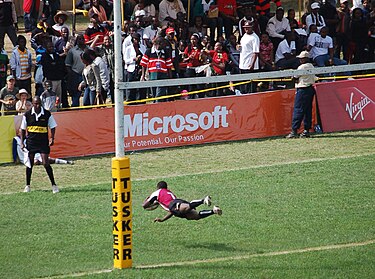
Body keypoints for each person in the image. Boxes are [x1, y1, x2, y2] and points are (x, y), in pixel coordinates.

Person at [20, 96, 59, 194]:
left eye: (38, 104)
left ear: (40, 103)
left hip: (43, 143)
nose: (37, 105)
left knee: (46, 163)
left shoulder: (47, 114)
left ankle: (54, 185)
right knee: (30, 164)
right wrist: (21, 142)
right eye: (35, 104)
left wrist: (52, 138)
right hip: (31, 142)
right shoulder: (27, 115)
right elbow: (23, 129)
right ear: (32, 104)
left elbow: (53, 126)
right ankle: (27, 185)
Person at [142, 181, 222, 222]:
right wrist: (163, 219)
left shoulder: (157, 192)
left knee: (188, 207)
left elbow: (144, 206)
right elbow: (171, 211)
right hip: (176, 207)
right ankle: (214, 211)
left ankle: (203, 200)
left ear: (158, 187)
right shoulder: (169, 193)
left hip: (175, 204)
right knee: (196, 216)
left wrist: (147, 200)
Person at [286, 51, 316, 139]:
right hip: (310, 88)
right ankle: (306, 130)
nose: (300, 60)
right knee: (307, 110)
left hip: (302, 89)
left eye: (301, 58)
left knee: (298, 110)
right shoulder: (311, 66)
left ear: (305, 59)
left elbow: (295, 77)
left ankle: (294, 130)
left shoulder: (302, 67)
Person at [140, 36, 173, 102]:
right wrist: (143, 75)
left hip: (163, 75)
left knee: (160, 94)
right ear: (159, 43)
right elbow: (143, 64)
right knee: (154, 94)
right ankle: (155, 107)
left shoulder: (165, 53)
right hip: (152, 75)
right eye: (163, 44)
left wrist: (170, 77)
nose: (164, 46)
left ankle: (158, 105)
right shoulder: (149, 51)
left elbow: (169, 66)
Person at [239, 21, 259, 93]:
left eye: (248, 27)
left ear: (252, 27)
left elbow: (256, 52)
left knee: (250, 87)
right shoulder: (244, 36)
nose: (246, 29)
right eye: (245, 27)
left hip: (250, 65)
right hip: (243, 64)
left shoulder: (255, 38)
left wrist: (252, 64)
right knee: (243, 85)